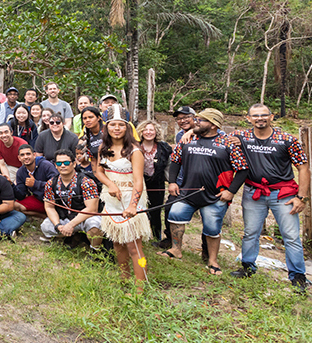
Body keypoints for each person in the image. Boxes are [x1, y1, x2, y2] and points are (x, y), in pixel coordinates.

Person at [229, 104, 310, 291]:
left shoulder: (287, 140)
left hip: (283, 193)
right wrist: (189, 133)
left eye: (264, 115)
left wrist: (302, 197)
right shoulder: (241, 136)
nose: (260, 119)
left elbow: (303, 167)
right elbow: (213, 135)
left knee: (290, 236)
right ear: (248, 118)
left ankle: (298, 276)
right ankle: (247, 267)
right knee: (251, 232)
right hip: (253, 191)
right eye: (255, 116)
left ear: (272, 117)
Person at [161, 108, 248, 276]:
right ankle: (175, 249)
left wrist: (231, 191)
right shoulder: (188, 139)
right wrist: (172, 182)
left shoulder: (227, 142)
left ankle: (212, 260)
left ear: (214, 125)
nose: (196, 122)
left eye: (201, 120)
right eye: (197, 119)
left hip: (215, 196)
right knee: (175, 216)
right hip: (187, 193)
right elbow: (175, 161)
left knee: (212, 229)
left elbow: (242, 169)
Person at [93, 105, 151, 282]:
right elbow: (98, 171)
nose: (116, 129)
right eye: (112, 125)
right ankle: (125, 278)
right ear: (106, 127)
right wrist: (110, 184)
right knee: (117, 244)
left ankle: (140, 285)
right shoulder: (103, 147)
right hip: (112, 200)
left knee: (134, 246)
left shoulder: (134, 150)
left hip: (131, 199)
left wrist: (133, 205)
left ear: (127, 127)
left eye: (121, 125)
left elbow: (139, 181)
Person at [41, 150, 104, 252]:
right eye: (59, 163)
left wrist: (71, 225)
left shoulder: (86, 181)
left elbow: (92, 209)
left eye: (66, 163)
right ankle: (73, 235)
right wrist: (58, 225)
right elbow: (49, 207)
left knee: (95, 226)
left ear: (74, 164)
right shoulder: (51, 183)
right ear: (55, 166)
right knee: (45, 227)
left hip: (85, 217)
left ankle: (96, 251)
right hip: (65, 217)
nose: (62, 166)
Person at [136, 120, 173, 248]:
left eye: (151, 130)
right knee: (139, 209)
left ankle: (156, 236)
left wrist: (171, 181)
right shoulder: (135, 146)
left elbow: (169, 166)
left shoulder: (164, 148)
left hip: (157, 183)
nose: (148, 132)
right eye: (145, 129)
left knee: (156, 210)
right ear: (141, 131)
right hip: (139, 182)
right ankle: (138, 235)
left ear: (156, 131)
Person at [13, 144, 57, 217]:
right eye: (22, 155)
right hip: (39, 199)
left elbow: (57, 185)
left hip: (54, 200)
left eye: (28, 154)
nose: (26, 157)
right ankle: (45, 216)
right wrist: (11, 185)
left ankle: (53, 214)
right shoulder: (21, 172)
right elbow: (22, 195)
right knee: (13, 205)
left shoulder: (46, 165)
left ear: (34, 155)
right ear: (19, 158)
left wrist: (36, 184)